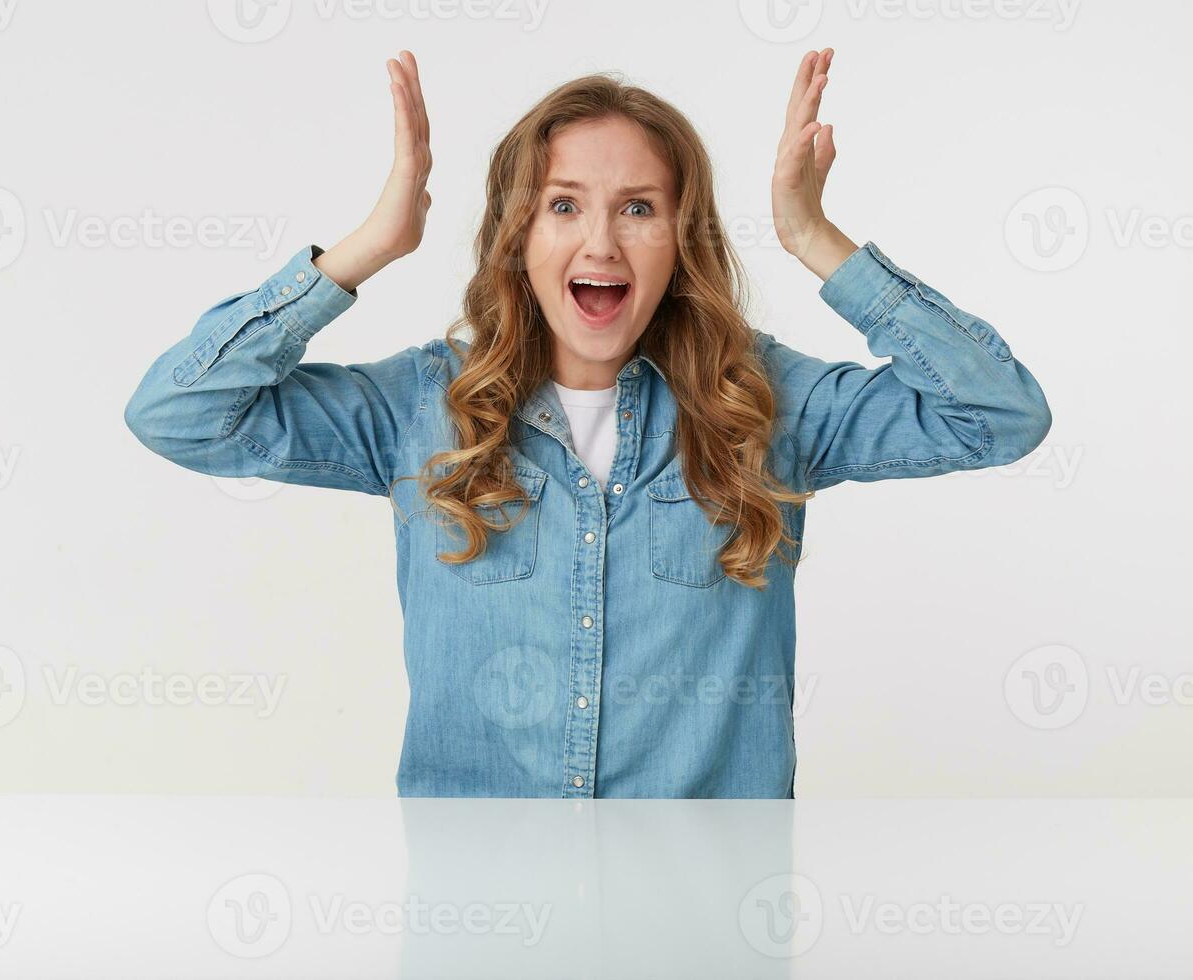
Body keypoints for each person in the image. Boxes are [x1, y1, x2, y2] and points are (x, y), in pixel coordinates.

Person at [124, 49, 1052, 798]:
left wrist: (815, 239)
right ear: (518, 237)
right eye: (563, 205)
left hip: (702, 927)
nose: (601, 242)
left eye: (638, 209)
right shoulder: (418, 409)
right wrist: (370, 246)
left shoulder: (764, 400)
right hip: (479, 926)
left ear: (680, 240)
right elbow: (180, 413)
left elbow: (998, 416)